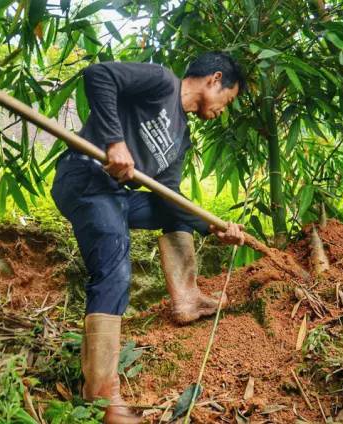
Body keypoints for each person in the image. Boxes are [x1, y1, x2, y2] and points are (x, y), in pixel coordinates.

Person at [51, 52, 246, 423]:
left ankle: (186, 299)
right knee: (115, 270)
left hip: (119, 197)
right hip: (87, 177)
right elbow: (99, 76)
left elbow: (168, 197)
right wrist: (114, 142)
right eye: (229, 99)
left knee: (177, 212)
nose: (225, 109)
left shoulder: (181, 138)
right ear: (214, 79)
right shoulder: (162, 83)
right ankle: (102, 397)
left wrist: (214, 227)